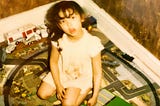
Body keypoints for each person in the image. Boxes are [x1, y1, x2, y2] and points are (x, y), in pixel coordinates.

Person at [37, 1, 104, 106]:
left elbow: (97, 72)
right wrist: (58, 86)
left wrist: (95, 96)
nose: (69, 25)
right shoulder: (58, 38)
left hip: (80, 76)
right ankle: (71, 91)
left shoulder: (93, 43)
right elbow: (53, 62)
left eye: (72, 18)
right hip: (63, 71)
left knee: (68, 104)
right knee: (42, 94)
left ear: (81, 18)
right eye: (63, 21)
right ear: (59, 25)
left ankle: (86, 88)